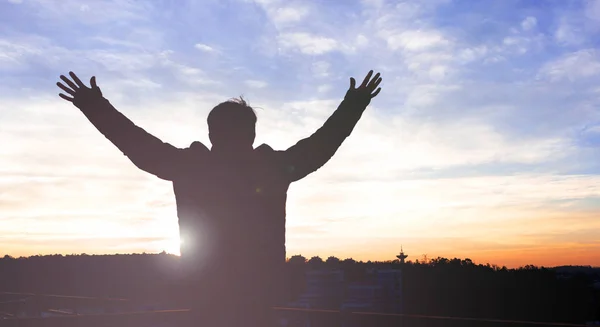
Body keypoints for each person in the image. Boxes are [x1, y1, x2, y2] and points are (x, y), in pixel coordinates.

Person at [56, 70, 382, 326]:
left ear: (211, 133)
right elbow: (322, 145)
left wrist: (94, 105)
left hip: (204, 298)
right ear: (252, 134)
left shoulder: (189, 168)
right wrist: (354, 104)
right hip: (258, 299)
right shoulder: (274, 169)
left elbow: (137, 144)